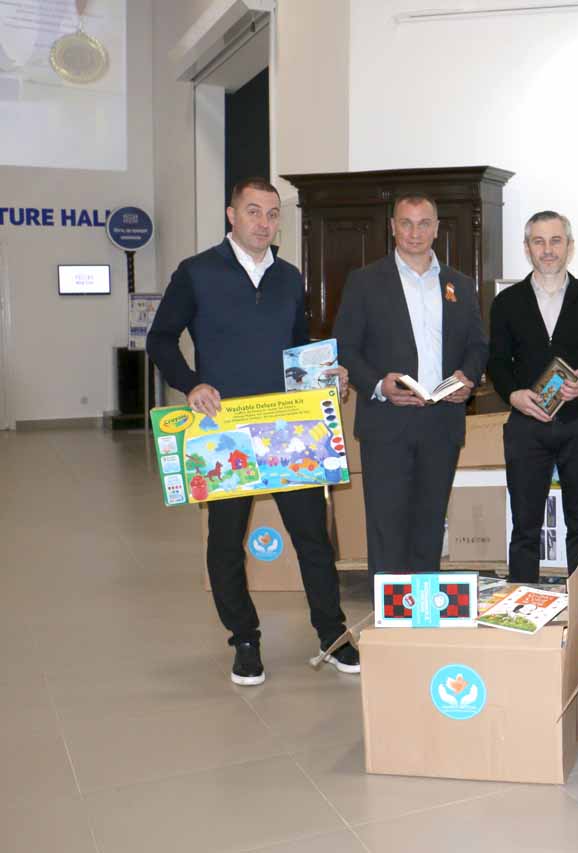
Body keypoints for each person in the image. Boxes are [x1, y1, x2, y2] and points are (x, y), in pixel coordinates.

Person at [148, 177, 359, 685]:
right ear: (231, 215)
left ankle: (332, 634)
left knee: (313, 537)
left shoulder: (289, 277)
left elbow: (296, 348)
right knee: (225, 543)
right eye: (253, 212)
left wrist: (325, 376)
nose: (264, 223)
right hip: (224, 432)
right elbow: (160, 339)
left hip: (288, 433)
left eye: (272, 214)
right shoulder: (197, 272)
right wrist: (191, 383)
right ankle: (244, 639)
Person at [333, 193, 488, 591]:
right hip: (387, 422)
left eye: (423, 224)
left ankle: (422, 609)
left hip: (442, 421)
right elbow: (346, 347)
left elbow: (477, 345)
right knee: (387, 526)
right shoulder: (365, 281)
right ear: (393, 227)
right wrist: (378, 384)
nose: (414, 232)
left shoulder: (459, 284)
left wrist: (467, 378)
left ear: (436, 229)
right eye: (406, 223)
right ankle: (389, 615)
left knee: (429, 523)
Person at [487, 210, 578, 639]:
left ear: (569, 246)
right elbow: (496, 362)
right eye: (539, 241)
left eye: (556, 240)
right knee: (525, 525)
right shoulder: (507, 302)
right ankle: (520, 610)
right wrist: (513, 395)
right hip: (526, 427)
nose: (548, 250)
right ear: (527, 248)